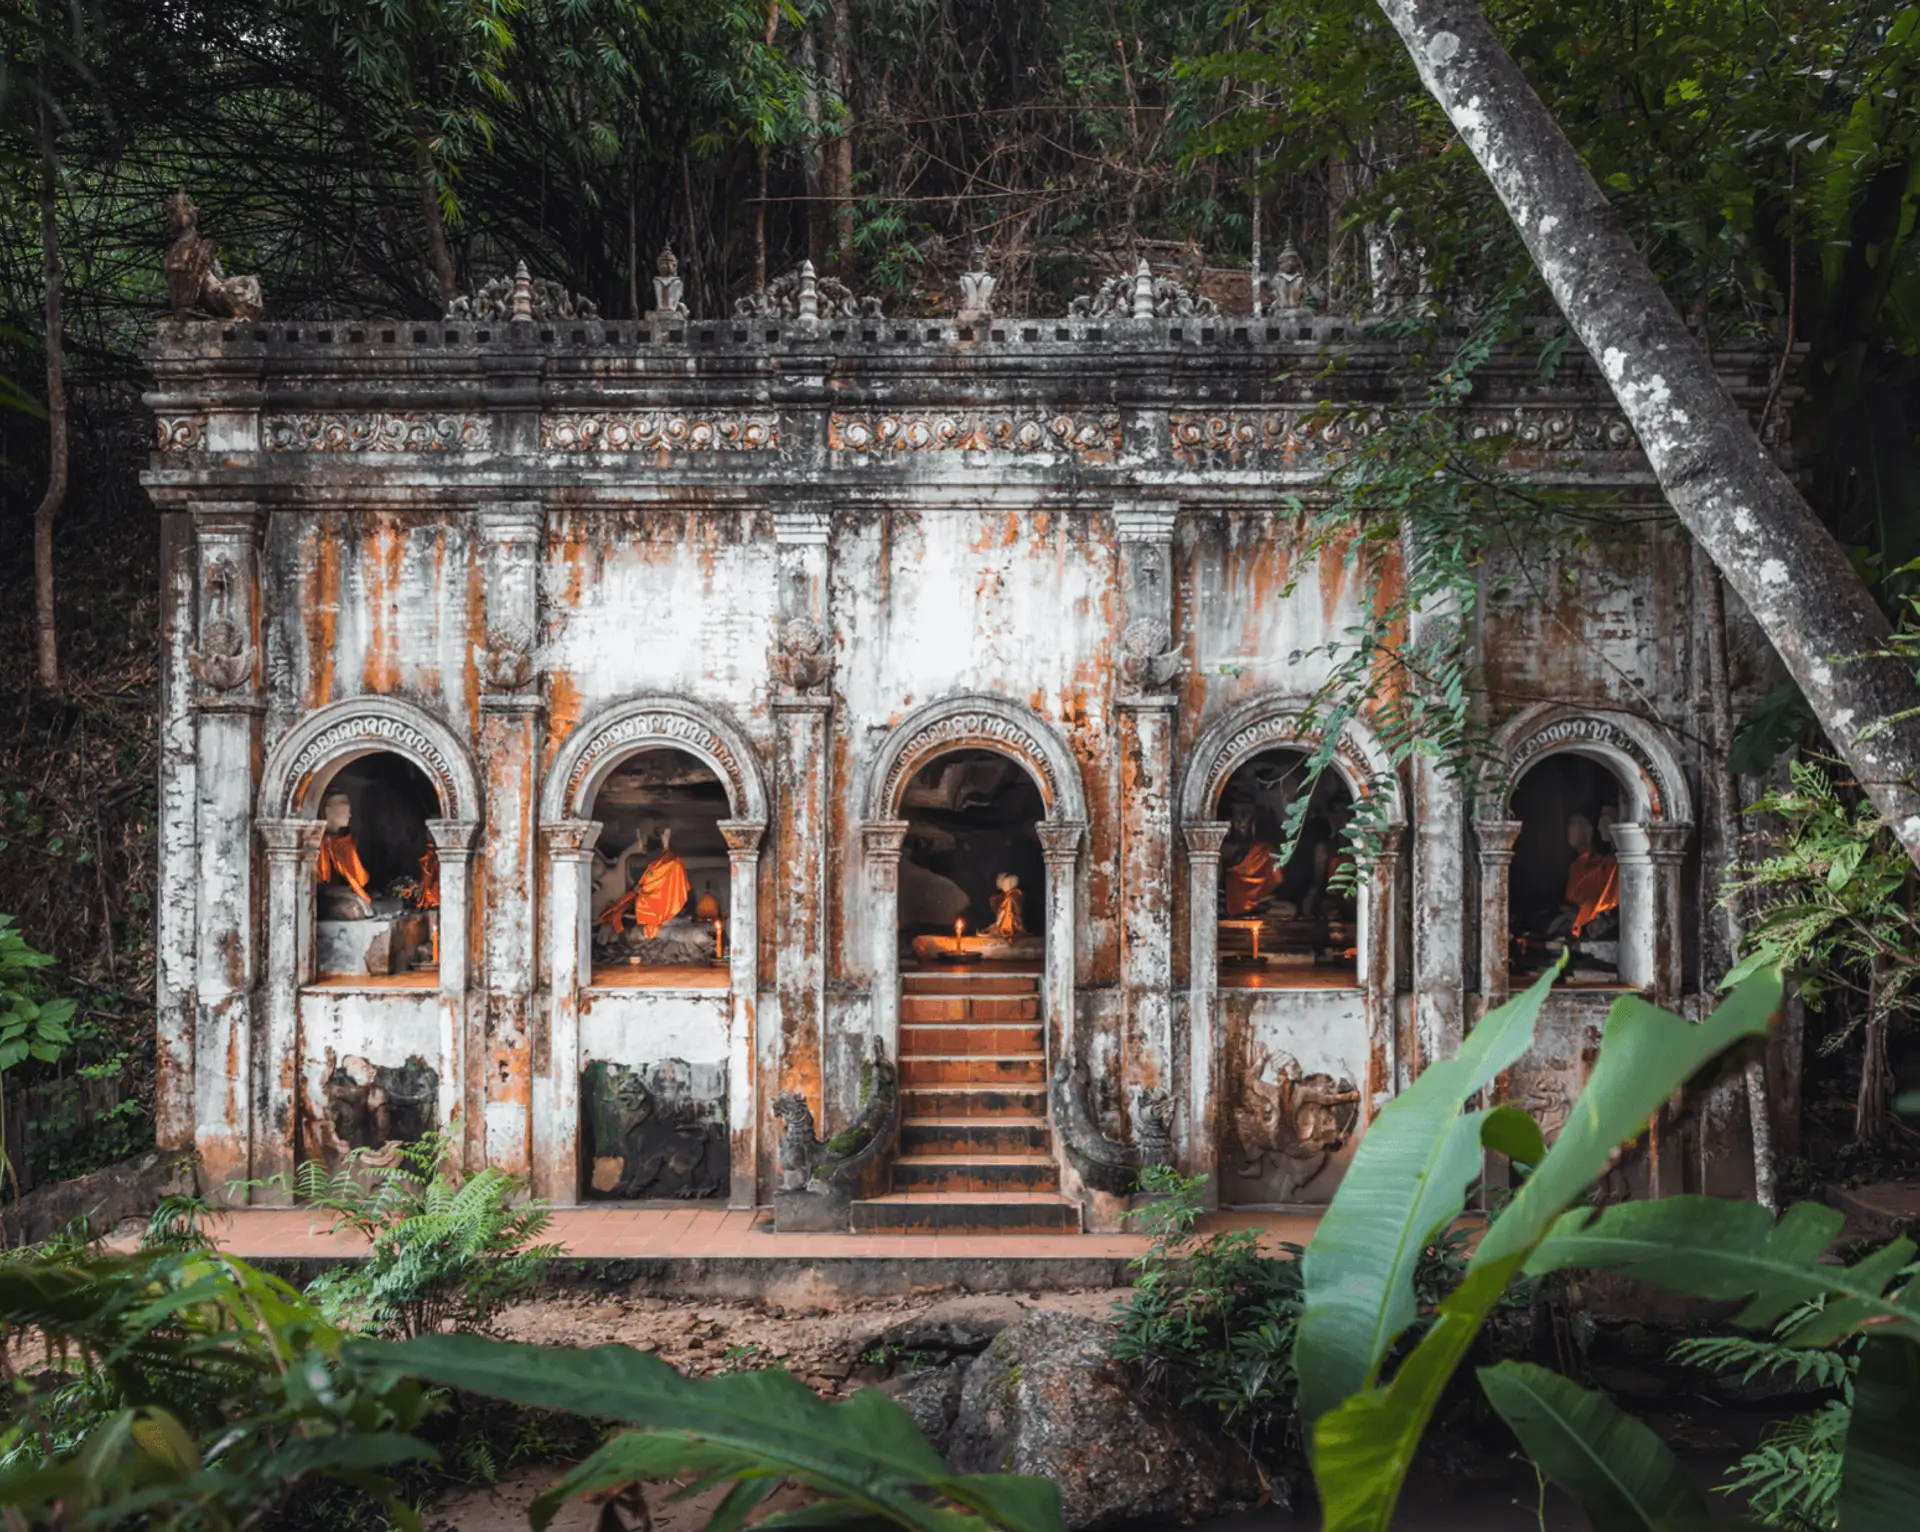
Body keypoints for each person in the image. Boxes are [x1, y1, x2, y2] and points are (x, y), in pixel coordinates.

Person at [597, 829, 691, 939]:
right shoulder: (649, 864)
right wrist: (637, 891)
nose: (648, 855)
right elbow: (644, 884)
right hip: (648, 905)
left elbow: (674, 890)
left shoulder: (673, 864)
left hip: (661, 907)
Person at [316, 791, 374, 920]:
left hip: (343, 891)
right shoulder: (316, 842)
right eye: (344, 809)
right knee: (352, 909)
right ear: (327, 811)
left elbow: (357, 878)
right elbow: (315, 886)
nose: (349, 814)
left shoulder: (343, 842)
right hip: (320, 898)